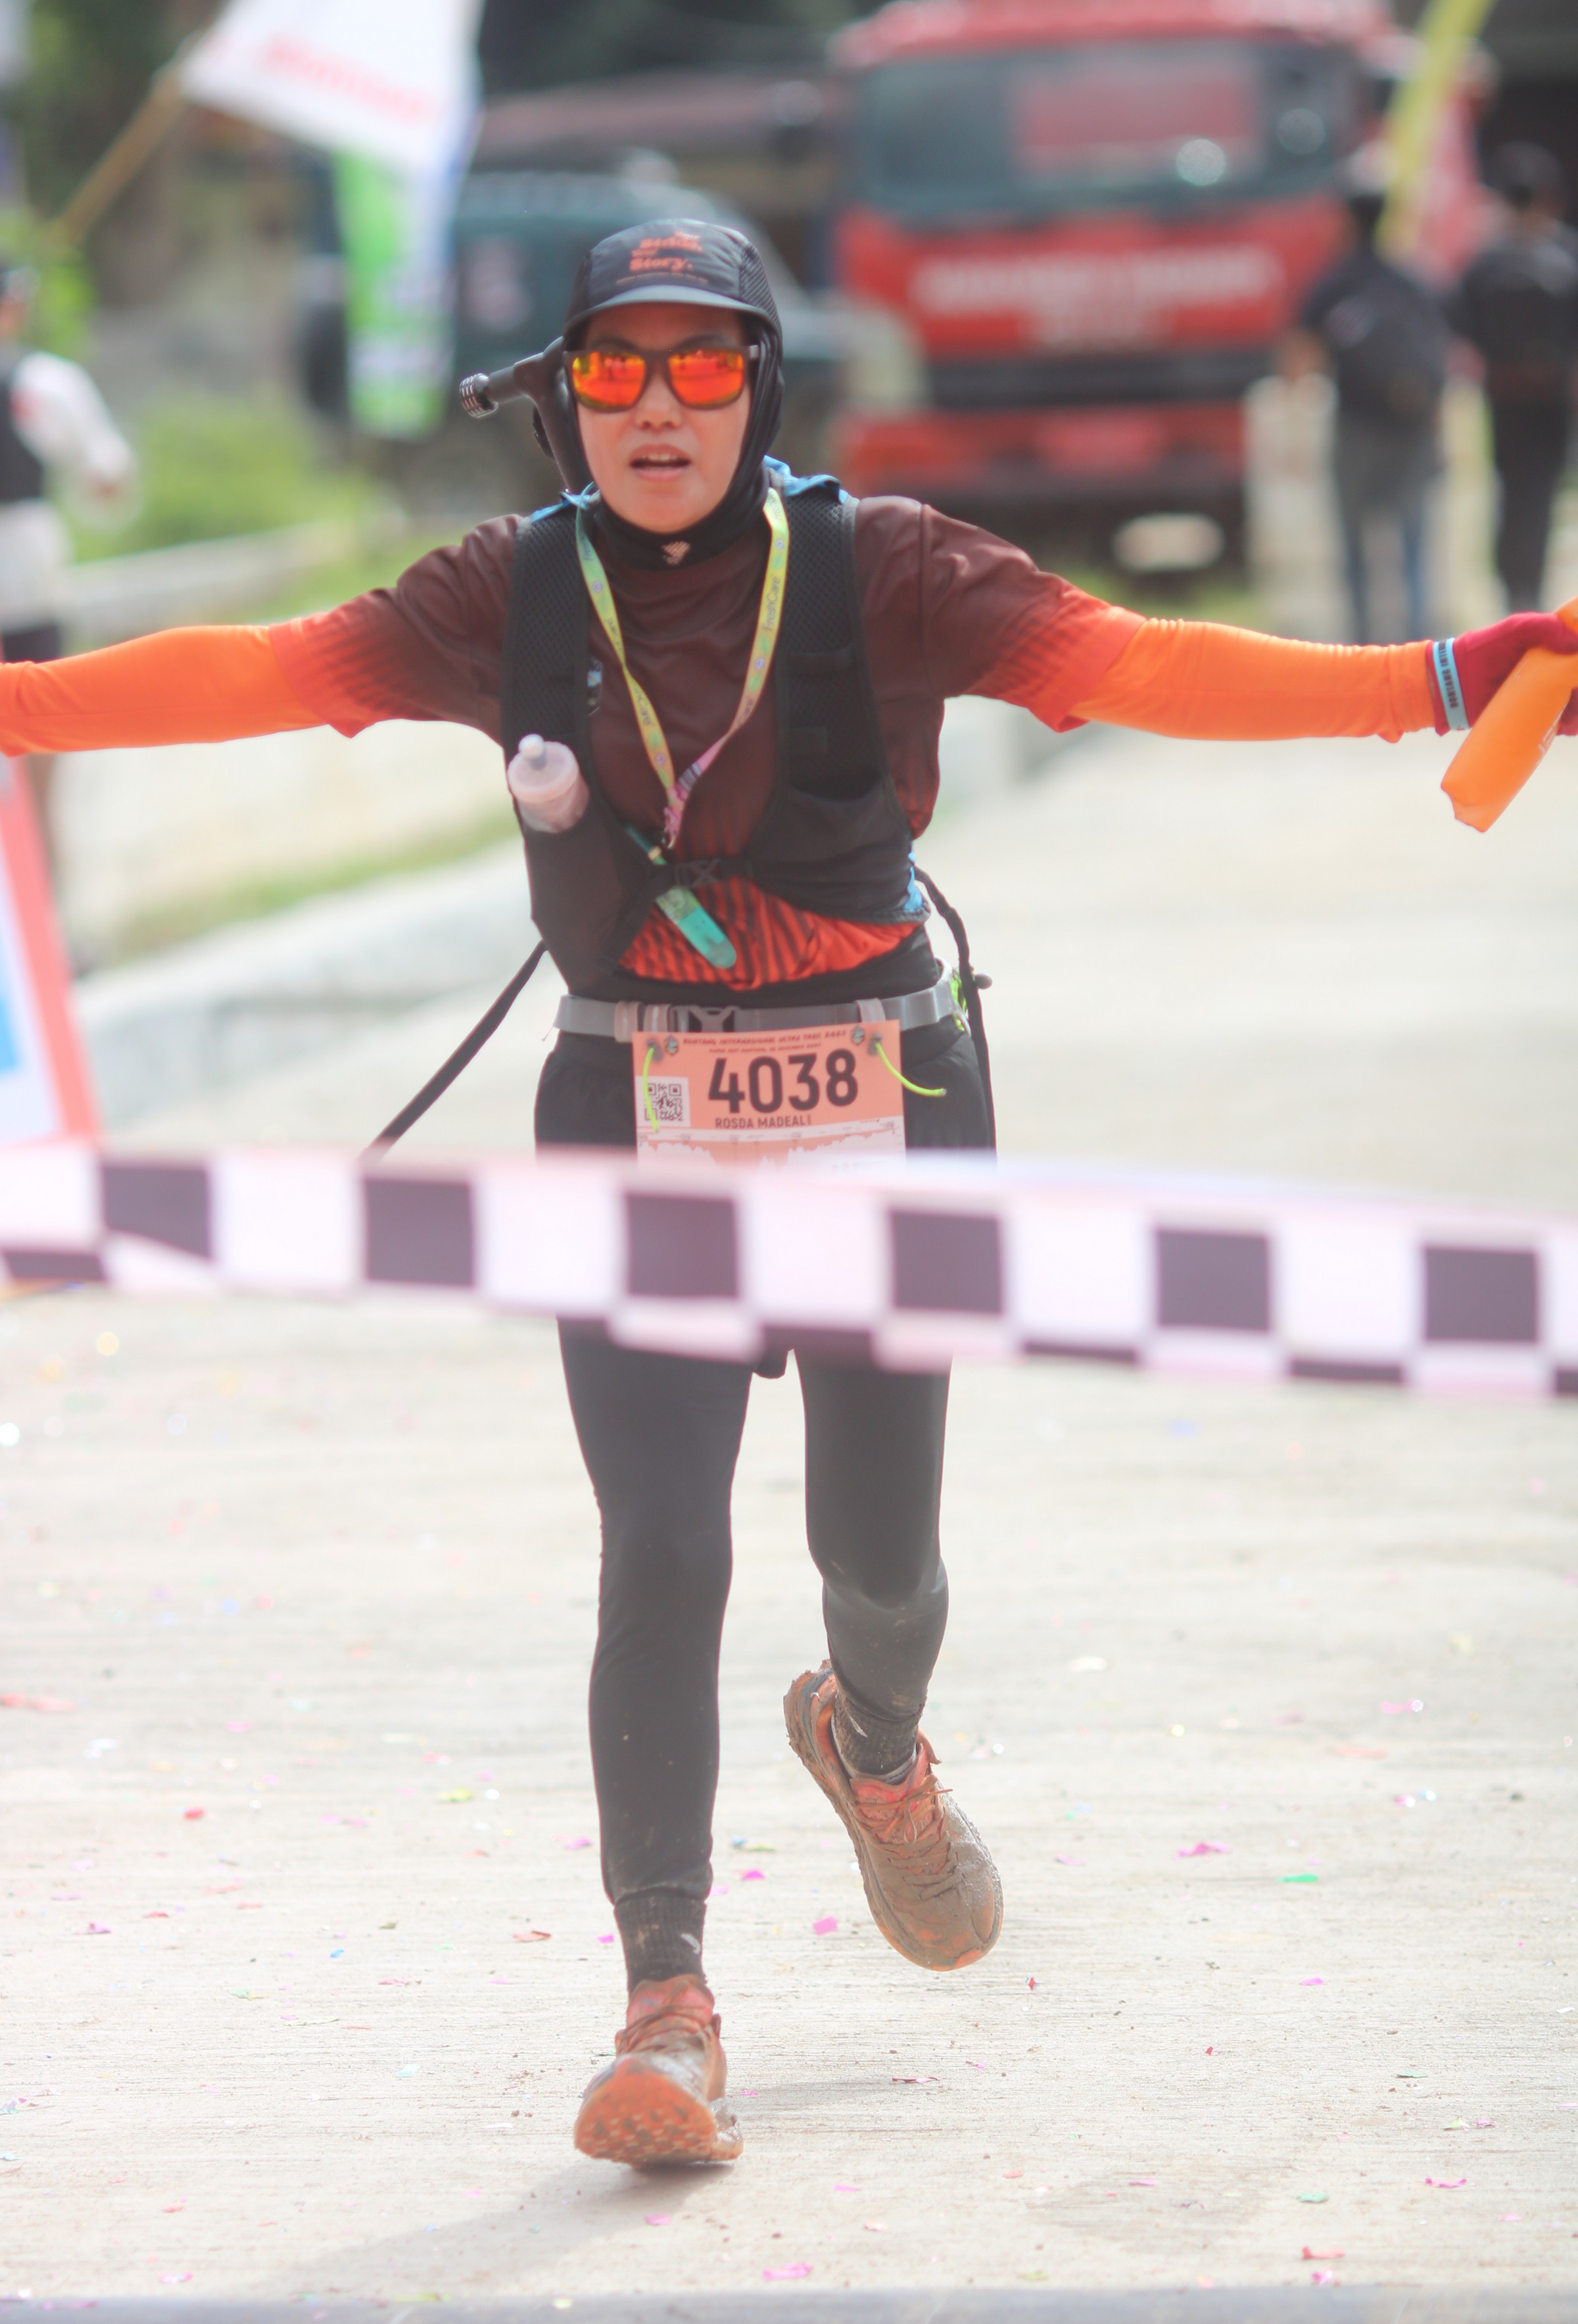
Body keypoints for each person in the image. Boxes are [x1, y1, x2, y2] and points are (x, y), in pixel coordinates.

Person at [0, 221, 1573, 2168]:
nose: (657, 406)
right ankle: (663, 2008)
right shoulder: (503, 591)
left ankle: (871, 1738)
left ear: (759, 382)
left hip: (884, 1095)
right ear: (562, 395)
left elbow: (1145, 664)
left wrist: (1440, 674)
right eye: (614, 366)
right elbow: (252, 671)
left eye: (701, 363)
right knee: (660, 1545)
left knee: (880, 1563)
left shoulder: (890, 566)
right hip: (627, 1098)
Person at [0, 258, 136, 860]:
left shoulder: (41, 385)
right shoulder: (44, 384)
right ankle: (43, 899)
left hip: (30, 576)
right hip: (28, 576)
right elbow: (107, 479)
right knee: (38, 748)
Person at [1283, 160, 1449, 644]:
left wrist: (1295, 430)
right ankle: (1419, 641)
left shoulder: (1331, 284)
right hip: (1411, 426)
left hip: (1355, 426)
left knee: (1354, 544)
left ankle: (1361, 644)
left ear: (1346, 219)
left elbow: (1298, 363)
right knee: (1413, 538)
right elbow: (1442, 358)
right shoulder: (1415, 279)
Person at [1450, 144, 1578, 612]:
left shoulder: (1484, 264)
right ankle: (1532, 590)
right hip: (1551, 396)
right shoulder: (1567, 259)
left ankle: (1512, 590)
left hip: (1503, 395)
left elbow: (1461, 329)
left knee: (1508, 490)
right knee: (1542, 494)